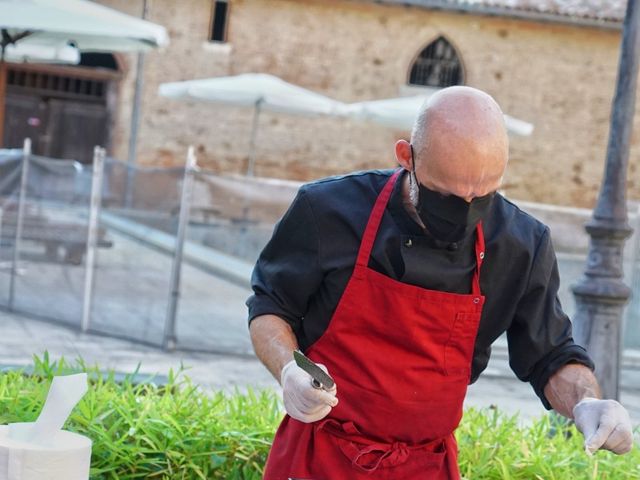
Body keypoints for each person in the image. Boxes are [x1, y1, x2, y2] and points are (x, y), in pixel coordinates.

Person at [246, 86, 633, 479]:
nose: (466, 212)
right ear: (406, 157)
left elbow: (550, 355)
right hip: (317, 457)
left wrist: (587, 403)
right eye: (447, 195)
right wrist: (288, 372)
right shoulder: (328, 211)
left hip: (425, 466)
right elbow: (270, 307)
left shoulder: (520, 244)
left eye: (482, 195)